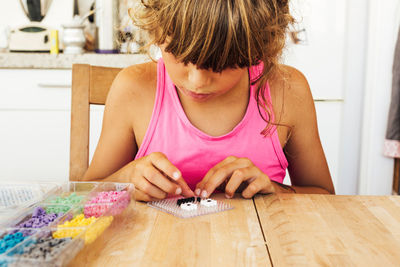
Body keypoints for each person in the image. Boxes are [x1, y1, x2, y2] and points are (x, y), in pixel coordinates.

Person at [83, 0, 335, 201]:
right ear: (156, 33)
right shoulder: (134, 89)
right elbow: (80, 195)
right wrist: (125, 181)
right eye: (179, 55)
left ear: (259, 48)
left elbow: (325, 197)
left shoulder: (288, 92)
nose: (196, 81)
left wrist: (275, 191)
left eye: (219, 64)